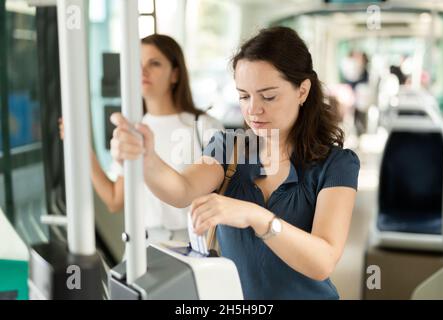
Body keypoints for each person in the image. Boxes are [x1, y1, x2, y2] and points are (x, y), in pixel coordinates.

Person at [110, 27, 360, 299]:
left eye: (268, 96)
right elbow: (180, 190)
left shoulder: (336, 164)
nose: (253, 109)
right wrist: (146, 158)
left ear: (302, 90)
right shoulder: (228, 147)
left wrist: (254, 216)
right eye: (244, 96)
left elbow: (323, 261)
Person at [60, 34, 223, 244]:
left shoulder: (204, 126)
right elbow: (114, 200)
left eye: (154, 63)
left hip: (192, 244)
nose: (142, 71)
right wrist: (82, 148)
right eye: (136, 64)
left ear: (175, 74)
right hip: (142, 247)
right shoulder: (132, 130)